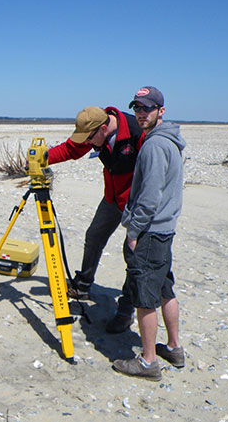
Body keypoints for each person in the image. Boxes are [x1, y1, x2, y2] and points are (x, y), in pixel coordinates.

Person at [48, 105, 144, 333]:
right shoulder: (94, 131)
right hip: (112, 197)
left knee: (134, 255)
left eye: (90, 138)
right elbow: (71, 149)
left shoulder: (136, 133)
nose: (87, 143)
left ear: (103, 128)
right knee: (94, 236)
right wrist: (42, 158)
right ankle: (82, 285)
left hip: (138, 202)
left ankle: (125, 311)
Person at [112, 86, 186, 382]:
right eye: (137, 108)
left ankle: (148, 361)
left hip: (151, 232)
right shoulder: (169, 140)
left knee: (145, 297)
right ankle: (174, 347)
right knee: (166, 288)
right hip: (165, 230)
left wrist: (134, 230)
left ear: (161, 111)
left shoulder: (155, 146)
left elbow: (150, 195)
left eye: (147, 108)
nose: (141, 114)